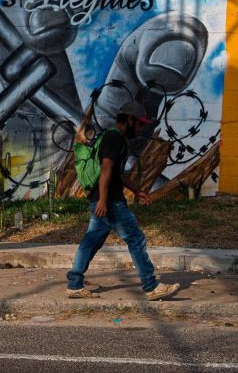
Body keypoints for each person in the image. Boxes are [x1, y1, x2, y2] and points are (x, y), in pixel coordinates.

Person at [66, 101, 180, 301]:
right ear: (129, 120)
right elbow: (106, 169)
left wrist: (137, 190)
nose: (141, 128)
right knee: (136, 238)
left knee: (91, 241)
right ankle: (151, 285)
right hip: (111, 202)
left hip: (103, 200)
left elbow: (117, 173)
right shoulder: (114, 139)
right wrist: (103, 200)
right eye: (139, 124)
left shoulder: (112, 137)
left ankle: (74, 284)